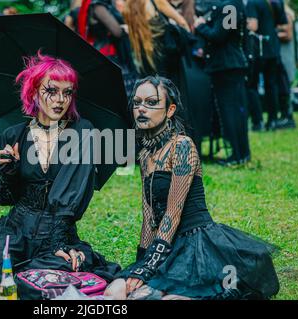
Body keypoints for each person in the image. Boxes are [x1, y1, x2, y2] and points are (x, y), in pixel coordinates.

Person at [106, 76, 279, 300]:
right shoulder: (145, 155)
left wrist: (149, 266)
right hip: (164, 246)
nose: (141, 109)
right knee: (116, 291)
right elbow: (149, 215)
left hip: (196, 243)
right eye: (137, 103)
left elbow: (172, 213)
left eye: (151, 103)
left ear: (170, 110)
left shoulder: (183, 146)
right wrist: (140, 262)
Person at [0, 53, 121, 292]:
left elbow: (74, 189)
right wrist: (8, 170)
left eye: (67, 92)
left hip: (57, 230)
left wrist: (60, 241)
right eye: (51, 90)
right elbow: (1, 197)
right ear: (33, 92)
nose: (60, 100)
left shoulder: (82, 132)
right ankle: (24, 270)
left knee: (51, 274)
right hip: (17, 228)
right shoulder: (14, 135)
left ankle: (36, 270)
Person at [194, 0, 251, 166]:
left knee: (230, 112)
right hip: (232, 64)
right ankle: (242, 153)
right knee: (236, 111)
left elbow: (219, 36)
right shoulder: (235, 4)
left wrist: (200, 26)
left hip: (226, 65)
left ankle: (236, 155)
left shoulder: (229, 6)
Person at [77, 0, 138, 96]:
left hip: (109, 55)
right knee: (123, 94)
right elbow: (117, 32)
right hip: (110, 56)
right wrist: (123, 28)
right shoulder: (97, 6)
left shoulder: (96, 5)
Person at [246, 0, 288, 130]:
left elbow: (253, 26)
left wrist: (241, 22)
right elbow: (283, 24)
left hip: (259, 49)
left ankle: (258, 122)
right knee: (272, 85)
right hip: (273, 48)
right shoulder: (277, 1)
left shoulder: (253, 2)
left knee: (252, 85)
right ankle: (273, 120)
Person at [275, 0, 296, 129]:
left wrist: (271, 34)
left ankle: (288, 115)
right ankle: (284, 114)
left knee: (286, 85)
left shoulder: (287, 15)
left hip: (286, 55)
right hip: (281, 54)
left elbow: (288, 35)